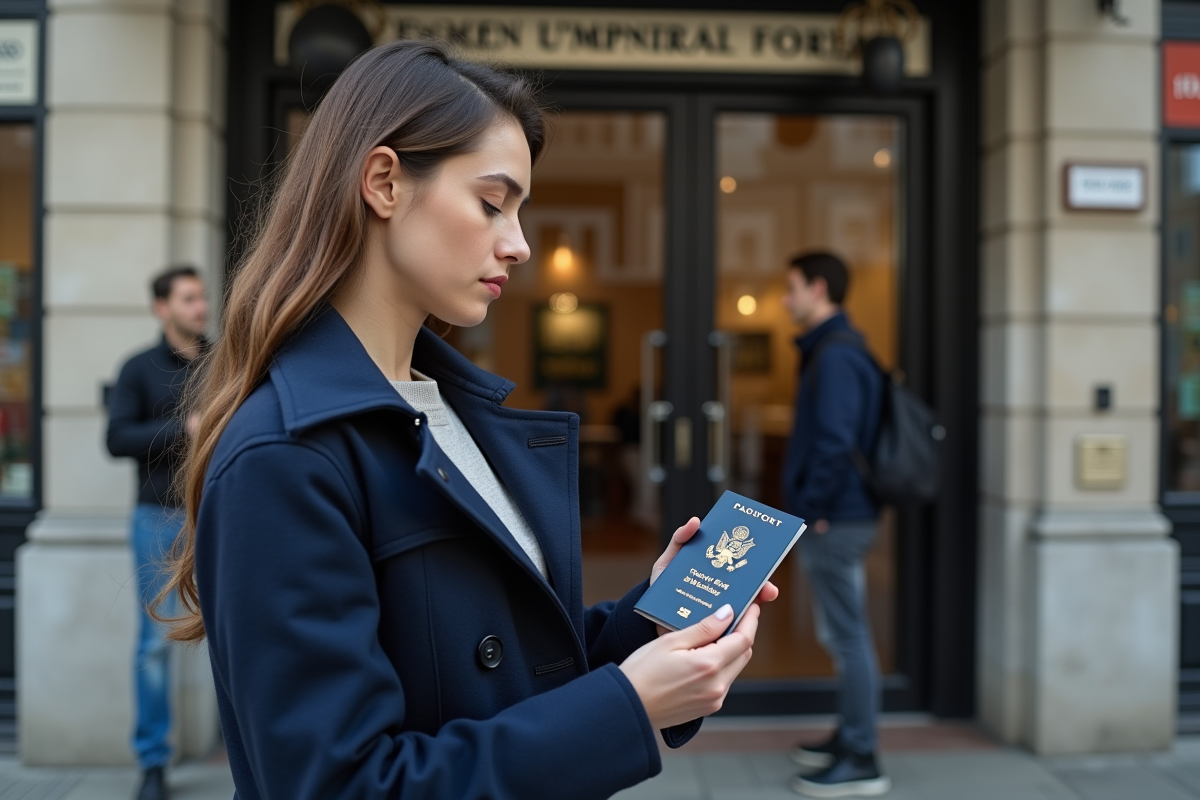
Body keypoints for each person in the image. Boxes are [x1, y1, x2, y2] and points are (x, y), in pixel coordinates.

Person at [156, 40, 776, 800]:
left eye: (520, 210)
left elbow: (506, 667)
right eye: (492, 202)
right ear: (384, 181)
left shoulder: (450, 410)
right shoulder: (286, 455)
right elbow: (341, 785)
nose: (518, 244)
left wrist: (649, 626)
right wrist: (628, 706)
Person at [780, 252, 889, 797]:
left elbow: (834, 441)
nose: (785, 298)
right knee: (841, 632)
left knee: (848, 635)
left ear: (818, 288)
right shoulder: (835, 349)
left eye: (792, 287)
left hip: (837, 517)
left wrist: (815, 510)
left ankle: (863, 756)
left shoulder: (837, 356)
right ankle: (849, 735)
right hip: (841, 514)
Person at [106, 265, 207, 800]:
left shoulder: (223, 359)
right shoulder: (137, 369)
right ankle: (152, 766)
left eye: (202, 297)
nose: (200, 307)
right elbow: (116, 437)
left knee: (239, 637)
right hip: (157, 519)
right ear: (161, 307)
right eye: (189, 299)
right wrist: (184, 429)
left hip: (216, 513)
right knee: (153, 647)